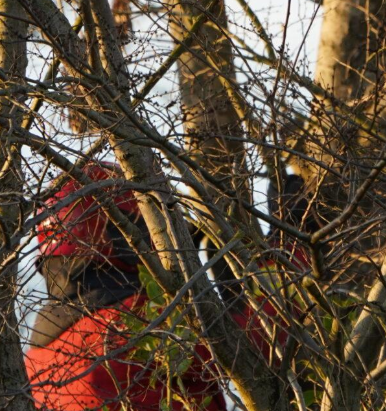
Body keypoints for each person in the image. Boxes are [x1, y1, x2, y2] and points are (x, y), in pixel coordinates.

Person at [24, 163, 290, 411]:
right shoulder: (131, 322)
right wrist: (292, 252)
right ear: (123, 233)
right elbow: (260, 343)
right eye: (154, 225)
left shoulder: (36, 360)